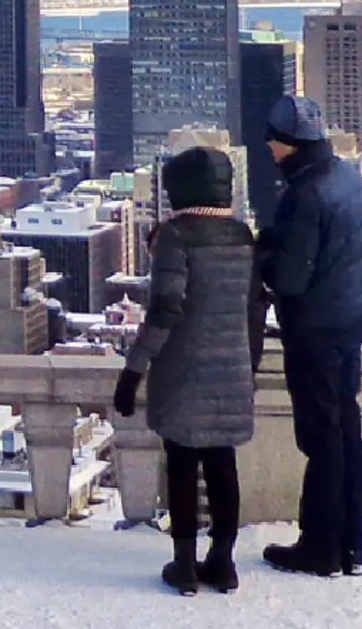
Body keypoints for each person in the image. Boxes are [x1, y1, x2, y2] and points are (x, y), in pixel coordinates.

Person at [112, 146, 258, 595]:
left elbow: (165, 310)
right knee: (222, 464)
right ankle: (224, 563)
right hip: (234, 367)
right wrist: (248, 365)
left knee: (181, 465)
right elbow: (254, 308)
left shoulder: (175, 236)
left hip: (184, 368)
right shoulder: (242, 235)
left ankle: (185, 567)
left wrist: (133, 370)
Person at [258, 95, 362, 577]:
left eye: (274, 145)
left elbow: (291, 278)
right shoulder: (348, 179)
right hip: (348, 321)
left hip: (314, 329)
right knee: (346, 428)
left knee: (321, 437)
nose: (271, 153)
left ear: (288, 145)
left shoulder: (306, 195)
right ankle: (354, 542)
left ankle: (321, 547)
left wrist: (263, 258)